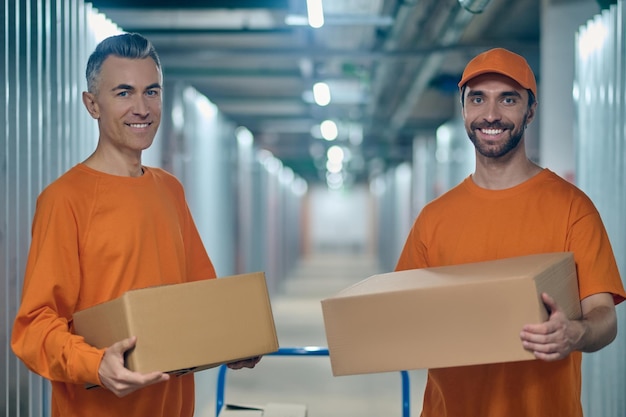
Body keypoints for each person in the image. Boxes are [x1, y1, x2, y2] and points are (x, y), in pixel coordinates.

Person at [11, 32, 260, 417]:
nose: (142, 108)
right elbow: (33, 329)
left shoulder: (169, 190)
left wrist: (232, 340)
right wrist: (95, 364)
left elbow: (200, 298)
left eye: (152, 92)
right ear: (92, 104)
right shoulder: (65, 200)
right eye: (124, 93)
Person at [395, 47, 626, 417]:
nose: (490, 115)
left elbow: (604, 317)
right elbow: (399, 317)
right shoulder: (434, 218)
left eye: (507, 99)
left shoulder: (572, 208)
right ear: (464, 109)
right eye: (478, 99)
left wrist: (574, 334)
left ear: (530, 110)